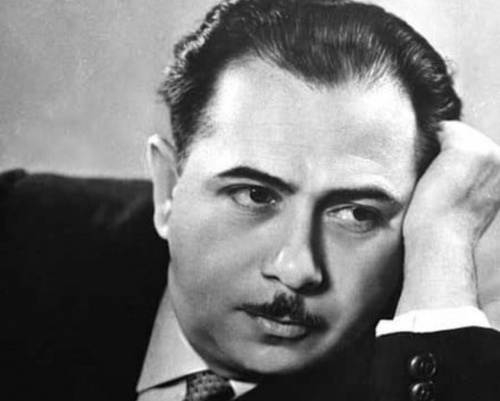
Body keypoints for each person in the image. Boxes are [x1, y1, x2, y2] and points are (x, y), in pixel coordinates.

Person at [2, 0, 500, 400]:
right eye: (256, 195)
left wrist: (444, 242)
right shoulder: (18, 236)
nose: (297, 269)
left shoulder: (420, 364)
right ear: (169, 189)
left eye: (356, 214)